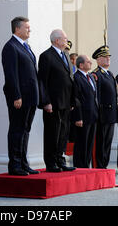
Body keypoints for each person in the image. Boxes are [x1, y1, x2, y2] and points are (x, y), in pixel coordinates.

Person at [1, 17, 39, 176]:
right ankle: (15, 165)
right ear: (17, 29)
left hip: (30, 97)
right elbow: (11, 74)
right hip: (19, 97)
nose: (30, 30)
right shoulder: (10, 47)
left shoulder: (25, 46)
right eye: (27, 27)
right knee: (17, 130)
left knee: (25, 130)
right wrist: (16, 96)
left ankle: (23, 163)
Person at [38, 29, 76, 172]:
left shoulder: (65, 54)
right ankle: (51, 162)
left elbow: (70, 79)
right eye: (64, 38)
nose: (66, 40)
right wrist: (45, 101)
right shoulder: (46, 56)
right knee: (52, 132)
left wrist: (72, 100)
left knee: (63, 132)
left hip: (66, 102)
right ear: (56, 40)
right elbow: (42, 81)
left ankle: (60, 160)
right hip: (53, 103)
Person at [91, 45, 118, 168]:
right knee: (101, 143)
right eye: (104, 57)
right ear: (98, 59)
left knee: (107, 142)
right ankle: (100, 166)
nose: (108, 59)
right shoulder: (97, 74)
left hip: (111, 115)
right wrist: (99, 114)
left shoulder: (110, 74)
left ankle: (104, 166)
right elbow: (97, 97)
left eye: (108, 57)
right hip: (102, 115)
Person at [72, 54, 98, 168]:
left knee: (89, 144)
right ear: (81, 65)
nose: (91, 63)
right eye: (88, 62)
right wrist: (78, 117)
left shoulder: (91, 77)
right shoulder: (76, 77)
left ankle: (86, 166)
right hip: (83, 117)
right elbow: (76, 99)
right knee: (81, 143)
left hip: (93, 116)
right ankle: (80, 166)